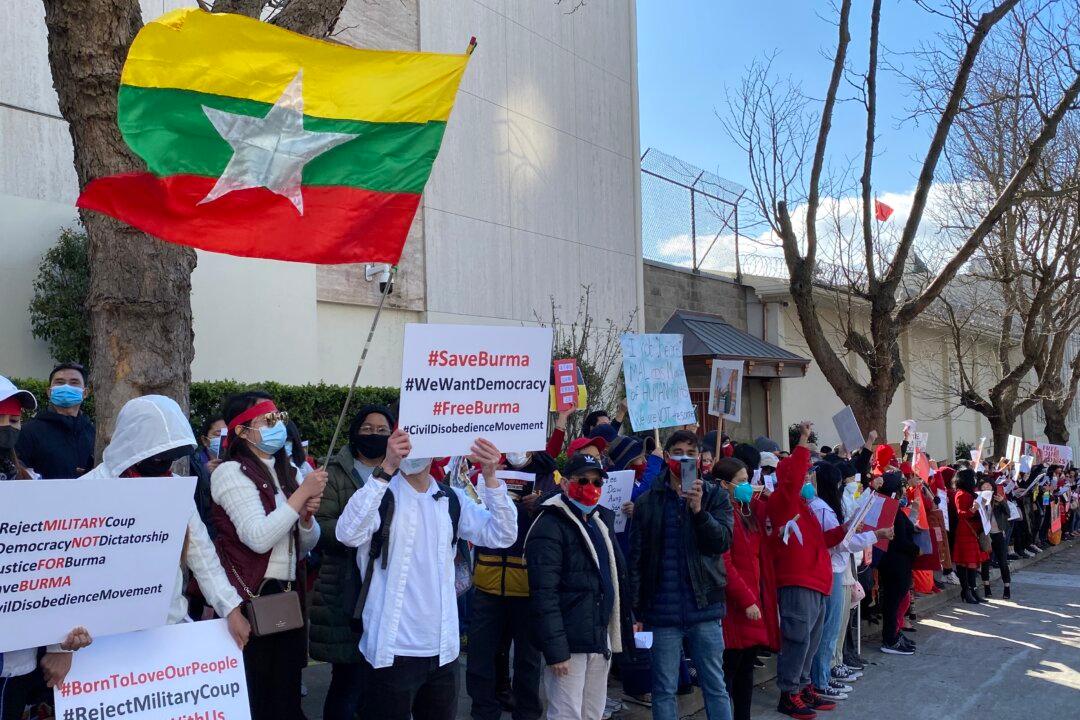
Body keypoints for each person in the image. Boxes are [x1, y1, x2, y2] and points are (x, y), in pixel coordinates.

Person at [336, 433, 517, 720]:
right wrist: (386, 468)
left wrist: (491, 477)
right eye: (404, 443)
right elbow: (347, 533)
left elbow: (503, 534)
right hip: (390, 651)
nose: (412, 451)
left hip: (443, 652)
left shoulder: (452, 499)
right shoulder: (379, 493)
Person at [211, 391, 326, 720]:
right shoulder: (230, 473)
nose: (277, 425)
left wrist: (306, 519)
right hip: (250, 598)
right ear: (242, 431)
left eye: (278, 418)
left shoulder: (289, 470)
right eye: (267, 420)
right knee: (256, 696)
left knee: (286, 695)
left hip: (287, 595)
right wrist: (300, 496)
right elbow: (257, 538)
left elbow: (305, 545)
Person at [0, 376, 95, 720]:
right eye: (1, 417)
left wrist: (60, 642)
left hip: (16, 658)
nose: (8, 427)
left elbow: (54, 563)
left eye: (14, 419)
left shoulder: (31, 482)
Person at [628, 430, 734, 720]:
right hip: (661, 613)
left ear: (699, 458)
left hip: (705, 608)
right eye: (678, 453)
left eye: (690, 453)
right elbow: (636, 560)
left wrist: (699, 512)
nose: (684, 459)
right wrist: (637, 610)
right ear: (666, 456)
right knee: (663, 688)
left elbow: (722, 542)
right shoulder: (648, 502)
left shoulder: (715, 497)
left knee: (715, 685)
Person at [525, 453, 632, 720]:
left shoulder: (599, 521)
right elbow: (544, 594)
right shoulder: (549, 524)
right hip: (569, 644)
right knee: (566, 714)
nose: (590, 487)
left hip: (598, 637)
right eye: (582, 480)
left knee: (592, 713)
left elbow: (613, 577)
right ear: (564, 483)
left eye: (597, 482)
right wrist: (556, 650)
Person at [311, 404, 395, 720]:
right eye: (367, 429)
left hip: (385, 583)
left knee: (381, 681)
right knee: (348, 678)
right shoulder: (334, 471)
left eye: (382, 430)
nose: (374, 435)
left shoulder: (402, 473)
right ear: (354, 431)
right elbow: (321, 526)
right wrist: (361, 531)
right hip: (344, 584)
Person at [466, 449, 556, 720]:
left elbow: (562, 506)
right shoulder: (485, 469)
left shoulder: (549, 475)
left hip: (527, 584)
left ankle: (526, 713)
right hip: (487, 580)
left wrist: (542, 502)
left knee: (528, 659)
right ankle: (484, 712)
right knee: (481, 656)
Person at [768, 421, 844, 719]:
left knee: (810, 641)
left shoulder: (803, 506)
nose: (809, 476)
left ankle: (802, 686)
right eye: (805, 473)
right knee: (798, 639)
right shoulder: (783, 500)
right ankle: (789, 693)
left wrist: (850, 529)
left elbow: (821, 541)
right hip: (798, 582)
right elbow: (793, 478)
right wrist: (801, 441)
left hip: (816, 581)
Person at [807, 463, 884, 697]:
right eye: (843, 482)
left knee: (832, 629)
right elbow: (840, 542)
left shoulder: (823, 506)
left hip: (835, 568)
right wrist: (874, 535)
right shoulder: (820, 508)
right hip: (832, 571)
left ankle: (824, 676)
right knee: (829, 630)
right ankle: (821, 680)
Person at [714, 457, 778, 720]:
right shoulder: (722, 514)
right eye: (740, 482)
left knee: (745, 670)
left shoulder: (746, 511)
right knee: (729, 670)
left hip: (753, 599)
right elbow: (725, 563)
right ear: (723, 484)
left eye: (747, 481)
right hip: (735, 604)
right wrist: (747, 600)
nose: (747, 486)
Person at [15, 362, 95, 478]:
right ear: (49, 392)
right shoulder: (28, 432)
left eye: (74, 383)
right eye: (60, 382)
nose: (66, 387)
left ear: (85, 393)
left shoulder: (92, 432)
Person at [876, 471, 919, 654]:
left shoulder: (895, 508)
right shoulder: (890, 509)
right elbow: (898, 541)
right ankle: (890, 639)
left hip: (899, 563)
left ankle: (895, 632)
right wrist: (916, 549)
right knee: (893, 602)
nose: (904, 489)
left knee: (899, 600)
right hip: (894, 563)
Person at [952, 469, 988, 604]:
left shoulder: (969, 493)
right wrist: (973, 509)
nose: (975, 480)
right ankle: (966, 591)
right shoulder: (961, 494)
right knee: (964, 563)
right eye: (972, 478)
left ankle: (972, 590)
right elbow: (960, 513)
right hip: (965, 532)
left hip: (972, 531)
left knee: (972, 563)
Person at [978, 478, 1012, 599]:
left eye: (988, 486)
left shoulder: (997, 499)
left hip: (998, 533)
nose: (986, 488)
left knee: (1002, 561)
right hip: (985, 535)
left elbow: (1008, 513)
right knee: (985, 562)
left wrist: (1002, 501)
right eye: (984, 486)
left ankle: (1007, 587)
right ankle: (986, 587)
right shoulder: (978, 500)